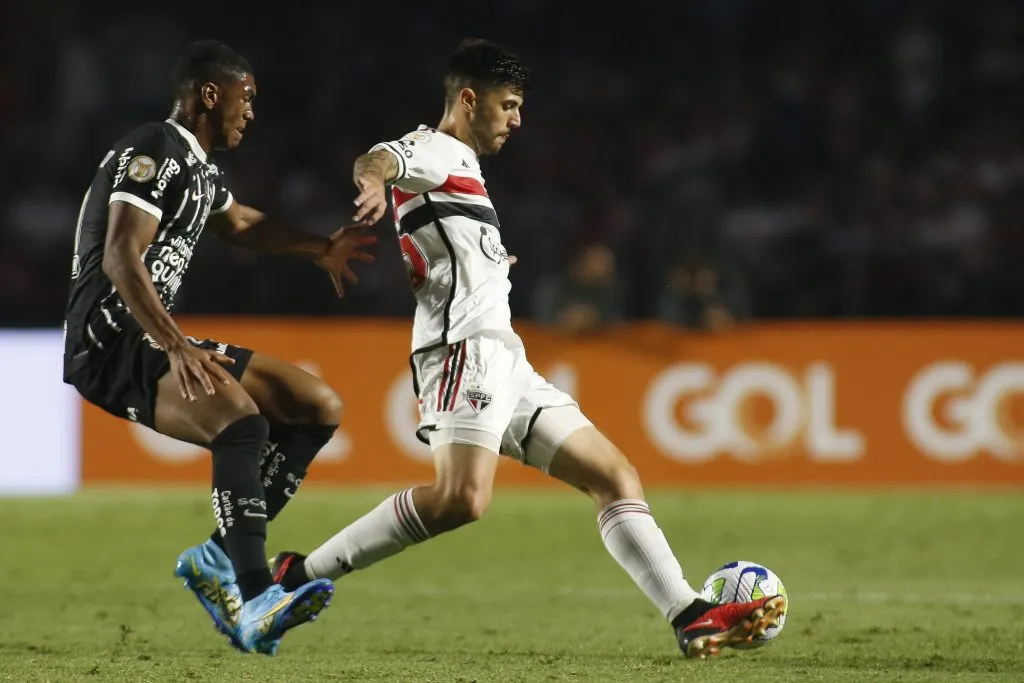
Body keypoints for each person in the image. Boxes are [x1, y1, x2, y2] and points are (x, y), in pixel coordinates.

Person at [269, 38, 785, 659]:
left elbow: (449, 246)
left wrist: (490, 266)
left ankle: (689, 613)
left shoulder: (464, 169)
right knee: (462, 499)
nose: (517, 119)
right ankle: (296, 576)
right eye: (508, 105)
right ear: (469, 99)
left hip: (504, 358)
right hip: (462, 352)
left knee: (614, 476)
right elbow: (378, 159)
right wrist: (373, 182)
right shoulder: (435, 149)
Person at [61, 40, 376, 655]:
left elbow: (239, 223)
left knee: (316, 405)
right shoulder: (155, 148)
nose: (251, 111)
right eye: (245, 97)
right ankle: (256, 598)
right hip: (111, 339)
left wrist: (320, 248)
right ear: (211, 94)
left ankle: (215, 557)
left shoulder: (198, 168)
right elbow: (121, 255)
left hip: (149, 333)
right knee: (240, 425)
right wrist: (176, 345)